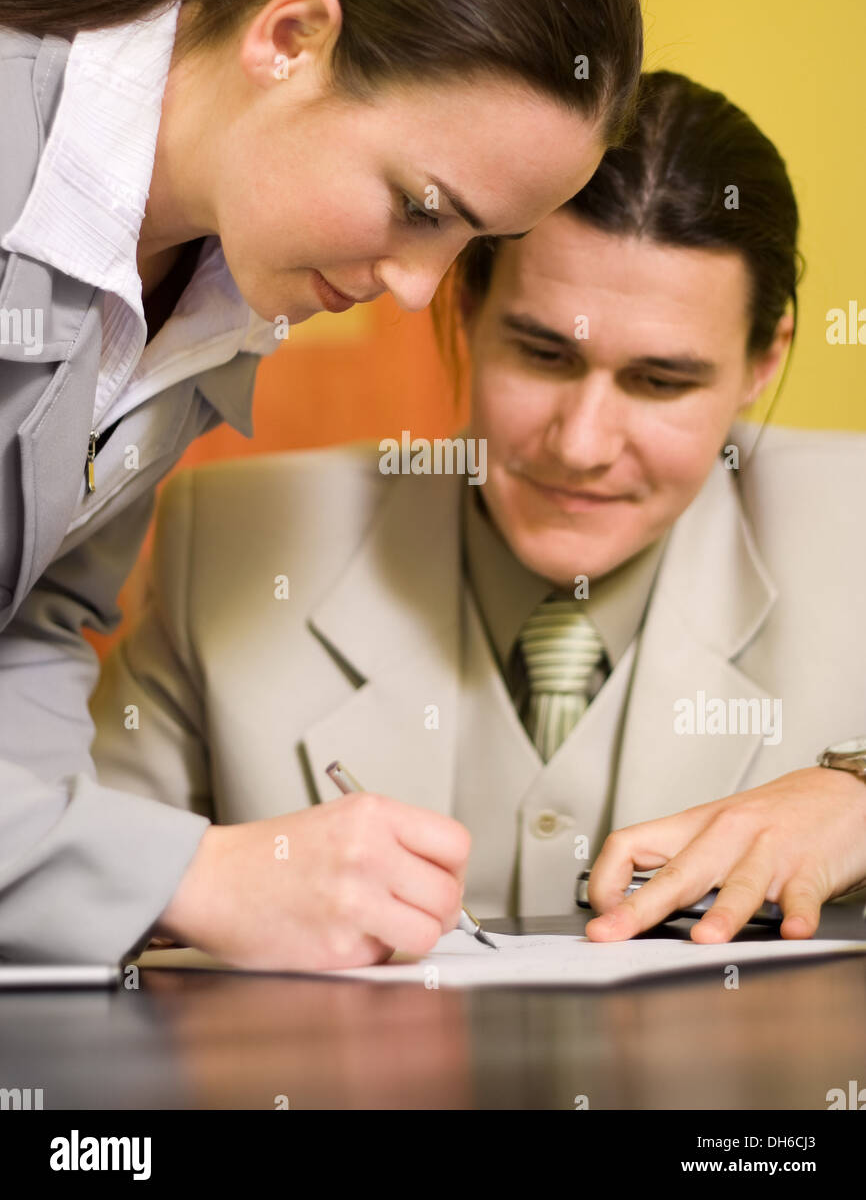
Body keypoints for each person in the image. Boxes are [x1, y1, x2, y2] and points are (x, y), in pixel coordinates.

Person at [0, 0, 644, 964]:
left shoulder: (218, 290)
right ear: (290, 35)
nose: (414, 290)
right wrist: (180, 875)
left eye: (469, 245)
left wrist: (57, 915)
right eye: (419, 204)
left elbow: (30, 620)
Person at [91, 70, 866, 969]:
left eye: (661, 381)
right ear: (462, 308)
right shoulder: (231, 537)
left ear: (763, 359)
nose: (580, 443)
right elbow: (62, 885)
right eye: (543, 356)